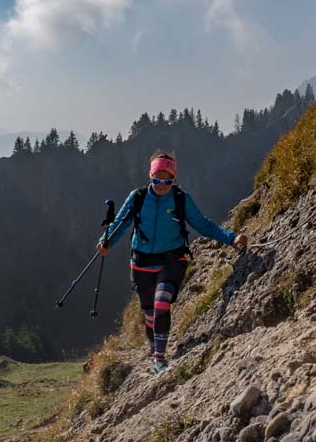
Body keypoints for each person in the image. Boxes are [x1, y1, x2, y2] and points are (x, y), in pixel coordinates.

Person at [97, 152, 248, 374]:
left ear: (174, 179)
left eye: (167, 181)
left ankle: (159, 360)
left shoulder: (180, 199)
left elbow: (204, 225)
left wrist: (232, 238)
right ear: (150, 176)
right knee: (149, 314)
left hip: (172, 260)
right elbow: (120, 223)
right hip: (141, 263)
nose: (161, 185)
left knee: (161, 304)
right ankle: (154, 346)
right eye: (157, 180)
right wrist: (105, 241)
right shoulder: (137, 197)